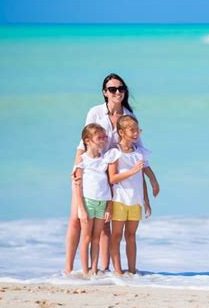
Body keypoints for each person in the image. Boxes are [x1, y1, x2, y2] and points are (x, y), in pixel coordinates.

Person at [64, 73, 160, 275]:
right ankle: (68, 270)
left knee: (105, 222)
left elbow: (138, 150)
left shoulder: (129, 117)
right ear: (104, 92)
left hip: (114, 173)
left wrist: (150, 180)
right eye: (112, 89)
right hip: (91, 170)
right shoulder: (95, 112)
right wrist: (76, 170)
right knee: (76, 219)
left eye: (121, 88)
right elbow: (84, 142)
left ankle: (103, 269)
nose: (117, 92)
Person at [106, 115, 151, 275]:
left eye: (137, 129)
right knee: (117, 236)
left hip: (135, 201)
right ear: (121, 132)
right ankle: (118, 272)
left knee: (131, 236)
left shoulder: (140, 153)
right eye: (132, 130)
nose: (136, 133)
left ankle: (132, 272)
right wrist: (132, 171)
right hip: (119, 200)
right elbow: (112, 178)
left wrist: (146, 201)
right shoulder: (115, 152)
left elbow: (142, 179)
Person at [74, 123, 112, 276]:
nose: (103, 140)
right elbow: (78, 187)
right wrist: (82, 209)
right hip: (88, 203)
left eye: (104, 137)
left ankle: (94, 270)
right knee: (87, 237)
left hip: (102, 203)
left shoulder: (105, 160)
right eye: (99, 138)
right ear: (88, 141)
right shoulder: (82, 160)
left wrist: (109, 207)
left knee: (96, 238)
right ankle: (85, 271)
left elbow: (110, 184)